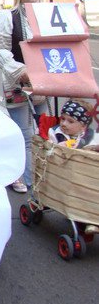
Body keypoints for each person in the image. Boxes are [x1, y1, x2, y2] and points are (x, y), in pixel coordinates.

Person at [0, 0, 50, 193]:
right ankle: (22, 178)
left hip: (45, 84)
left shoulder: (51, 16)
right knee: (22, 134)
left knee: (45, 133)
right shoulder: (9, 17)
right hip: (17, 83)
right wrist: (20, 71)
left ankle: (42, 177)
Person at [48, 98, 99, 234]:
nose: (64, 124)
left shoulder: (89, 137)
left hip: (86, 173)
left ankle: (93, 221)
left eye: (70, 121)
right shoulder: (56, 133)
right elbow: (48, 150)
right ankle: (90, 220)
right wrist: (57, 146)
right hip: (63, 174)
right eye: (63, 119)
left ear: (83, 126)